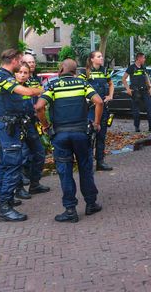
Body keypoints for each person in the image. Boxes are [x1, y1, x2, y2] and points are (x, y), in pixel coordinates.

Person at [35, 59, 104, 223]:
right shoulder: (82, 84)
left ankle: (70, 210)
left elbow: (39, 107)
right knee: (85, 168)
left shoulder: (53, 85)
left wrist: (46, 126)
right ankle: (91, 204)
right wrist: (96, 123)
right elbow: (99, 101)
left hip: (60, 136)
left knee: (65, 172)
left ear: (60, 69)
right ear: (75, 71)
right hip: (81, 134)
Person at [0, 49, 43, 222]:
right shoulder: (3, 77)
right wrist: (41, 89)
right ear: (13, 60)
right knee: (12, 165)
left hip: (6, 125)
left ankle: (3, 200)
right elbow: (25, 92)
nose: (21, 64)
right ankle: (5, 209)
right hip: (8, 127)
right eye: (19, 60)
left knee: (5, 165)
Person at [12, 63, 50, 199]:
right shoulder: (11, 87)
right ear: (15, 73)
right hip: (16, 127)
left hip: (30, 125)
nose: (22, 75)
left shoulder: (30, 86)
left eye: (25, 72)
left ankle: (35, 184)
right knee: (18, 158)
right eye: (20, 72)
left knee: (39, 153)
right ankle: (19, 188)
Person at [80, 51, 114, 171]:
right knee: (89, 136)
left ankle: (100, 161)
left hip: (103, 108)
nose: (102, 58)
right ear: (92, 59)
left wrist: (110, 96)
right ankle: (87, 163)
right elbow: (80, 87)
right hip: (90, 109)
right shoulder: (84, 73)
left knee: (101, 136)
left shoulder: (104, 71)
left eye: (101, 56)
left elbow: (111, 84)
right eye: (99, 56)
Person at [19, 54, 46, 189]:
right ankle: (24, 178)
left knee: (37, 152)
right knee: (25, 153)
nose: (32, 64)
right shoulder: (20, 81)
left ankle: (34, 182)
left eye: (33, 62)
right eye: (28, 62)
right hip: (23, 122)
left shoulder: (36, 79)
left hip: (34, 119)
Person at [123, 52, 151, 133]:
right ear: (139, 58)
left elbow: (146, 77)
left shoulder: (143, 67)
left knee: (149, 109)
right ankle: (137, 127)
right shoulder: (131, 68)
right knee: (136, 111)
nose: (144, 59)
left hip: (144, 91)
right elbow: (124, 78)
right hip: (135, 92)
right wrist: (128, 89)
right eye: (143, 58)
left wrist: (150, 87)